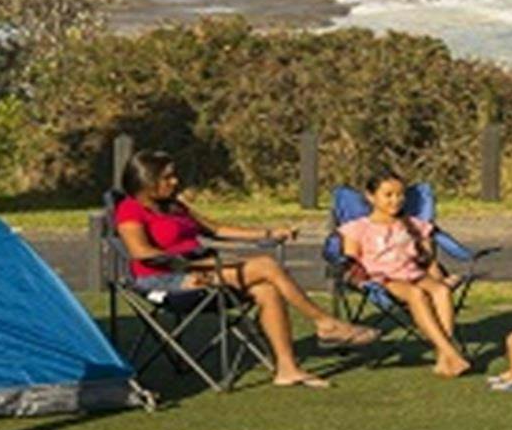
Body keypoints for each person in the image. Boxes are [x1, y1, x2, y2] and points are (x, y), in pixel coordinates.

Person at [112, 149, 374, 389]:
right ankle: (324, 323)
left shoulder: (175, 206)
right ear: (147, 180)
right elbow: (140, 252)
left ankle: (287, 369)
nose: (175, 181)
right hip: (164, 279)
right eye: (167, 177)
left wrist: (269, 233)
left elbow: (217, 229)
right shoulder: (130, 209)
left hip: (204, 268)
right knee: (266, 265)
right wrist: (189, 263)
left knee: (267, 289)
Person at [336, 172, 472, 378]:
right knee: (417, 295)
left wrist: (439, 277)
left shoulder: (414, 224)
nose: (396, 200)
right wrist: (360, 280)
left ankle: (443, 357)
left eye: (400, 195)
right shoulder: (357, 228)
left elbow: (427, 259)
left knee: (442, 291)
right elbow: (350, 261)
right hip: (383, 278)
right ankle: (450, 352)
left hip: (413, 272)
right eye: (388, 195)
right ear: (371, 197)